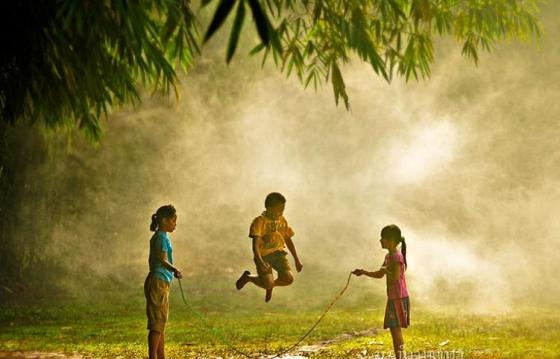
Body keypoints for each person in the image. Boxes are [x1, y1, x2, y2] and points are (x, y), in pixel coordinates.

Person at [352, 224, 409, 359]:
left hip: (398, 298)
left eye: (382, 238)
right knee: (394, 330)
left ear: (390, 239)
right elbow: (380, 274)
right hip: (393, 297)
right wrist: (363, 272)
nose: (380, 241)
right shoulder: (388, 256)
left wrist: (386, 271)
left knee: (396, 331)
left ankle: (401, 357)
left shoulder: (396, 257)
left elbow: (394, 277)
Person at [235, 192, 303, 302]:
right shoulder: (259, 221)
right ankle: (249, 278)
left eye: (283, 209)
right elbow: (255, 244)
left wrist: (296, 259)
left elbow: (288, 239)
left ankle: (269, 285)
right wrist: (259, 260)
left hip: (278, 254)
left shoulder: (282, 220)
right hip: (264, 256)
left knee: (288, 279)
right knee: (268, 283)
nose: (281, 213)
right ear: (269, 208)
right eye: (279, 210)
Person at [144, 204, 182, 359]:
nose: (175, 224)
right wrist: (175, 270)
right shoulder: (160, 237)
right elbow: (163, 259)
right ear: (165, 221)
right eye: (173, 221)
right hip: (158, 280)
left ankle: (161, 356)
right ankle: (153, 356)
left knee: (161, 322)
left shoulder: (163, 237)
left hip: (161, 281)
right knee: (157, 322)